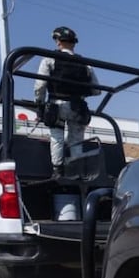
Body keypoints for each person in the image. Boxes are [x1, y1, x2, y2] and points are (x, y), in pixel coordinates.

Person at [33, 26, 100, 177]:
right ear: (74, 43)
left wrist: (39, 105)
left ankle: (58, 171)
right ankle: (77, 171)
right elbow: (96, 90)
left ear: (58, 42)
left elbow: (40, 85)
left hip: (57, 106)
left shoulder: (49, 59)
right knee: (76, 140)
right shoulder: (85, 63)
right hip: (78, 107)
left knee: (56, 137)